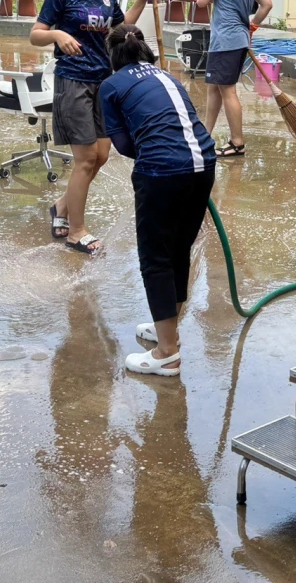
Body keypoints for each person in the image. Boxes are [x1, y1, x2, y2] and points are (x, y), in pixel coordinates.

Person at [30, 0, 160, 255]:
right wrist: (58, 36)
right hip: (73, 81)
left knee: (101, 156)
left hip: (103, 83)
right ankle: (76, 231)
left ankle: (62, 206)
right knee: (86, 159)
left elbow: (121, 28)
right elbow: (36, 34)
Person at [100, 24, 217, 377]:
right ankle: (168, 329)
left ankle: (166, 352)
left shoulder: (111, 86)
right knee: (178, 251)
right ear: (145, 50)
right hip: (204, 162)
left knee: (155, 258)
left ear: (114, 56)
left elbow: (123, 145)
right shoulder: (168, 76)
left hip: (162, 170)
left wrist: (157, 154)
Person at [193, 0, 272, 158]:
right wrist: (252, 26)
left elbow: (201, 2)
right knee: (214, 87)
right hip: (238, 39)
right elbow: (266, 4)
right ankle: (206, 134)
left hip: (225, 40)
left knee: (228, 90)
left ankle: (237, 143)